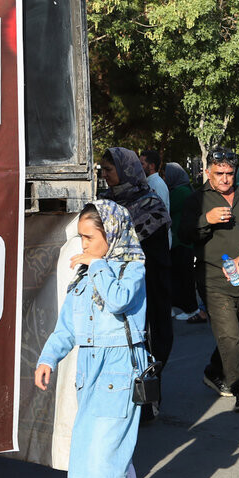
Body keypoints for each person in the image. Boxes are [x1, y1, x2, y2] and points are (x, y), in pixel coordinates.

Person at [34, 201, 155, 478]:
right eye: (81, 238)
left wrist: (98, 264)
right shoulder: (86, 272)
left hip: (120, 369)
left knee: (104, 457)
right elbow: (67, 325)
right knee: (111, 449)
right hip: (91, 371)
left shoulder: (132, 268)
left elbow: (118, 299)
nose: (84, 245)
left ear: (111, 234)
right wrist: (47, 358)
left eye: (89, 237)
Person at [180, 148, 239, 413]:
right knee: (229, 334)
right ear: (208, 173)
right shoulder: (197, 199)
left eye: (229, 173)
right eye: (219, 173)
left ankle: (215, 369)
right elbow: (183, 234)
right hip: (213, 276)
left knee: (238, 334)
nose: (225, 179)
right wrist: (207, 219)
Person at [100, 147, 172, 414]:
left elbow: (157, 252)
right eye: (103, 170)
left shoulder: (150, 204)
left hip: (149, 283)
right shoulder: (104, 202)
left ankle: (148, 394)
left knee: (152, 340)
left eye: (109, 170)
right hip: (113, 285)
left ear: (125, 170)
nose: (104, 175)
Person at [163, 163, 200, 320]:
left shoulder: (180, 192)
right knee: (180, 276)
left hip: (181, 240)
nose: (164, 178)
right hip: (181, 239)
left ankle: (191, 309)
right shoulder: (182, 189)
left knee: (184, 277)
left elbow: (167, 208)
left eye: (166, 175)